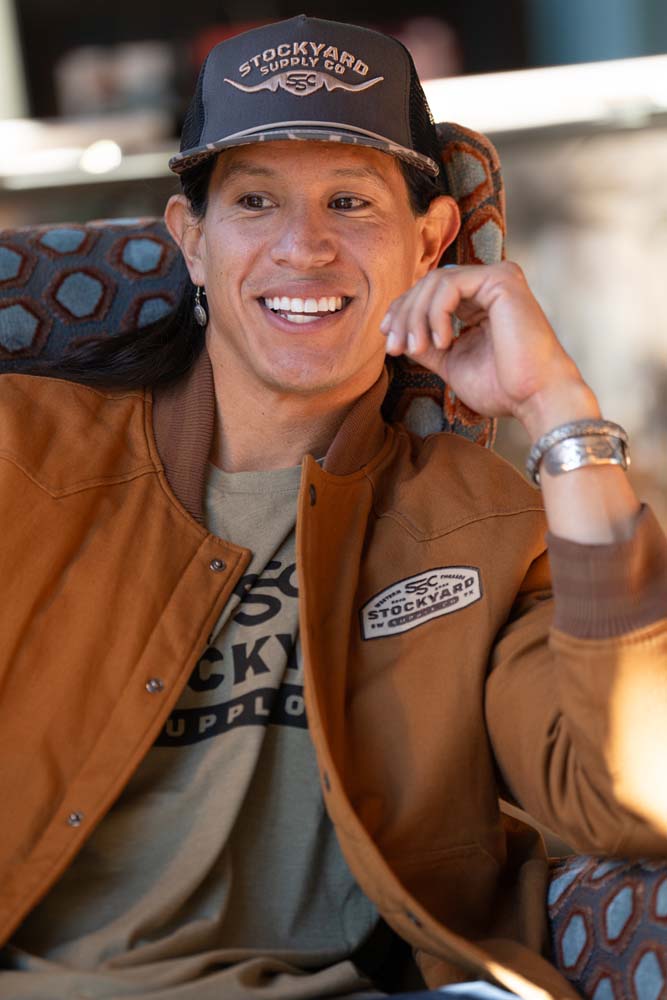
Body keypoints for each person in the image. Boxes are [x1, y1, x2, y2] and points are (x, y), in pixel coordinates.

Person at [0, 13, 666, 1000]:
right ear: (190, 240)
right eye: (255, 202)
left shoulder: (487, 518)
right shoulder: (24, 449)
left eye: (350, 203)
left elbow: (631, 799)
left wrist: (559, 412)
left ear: (431, 240)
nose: (302, 248)